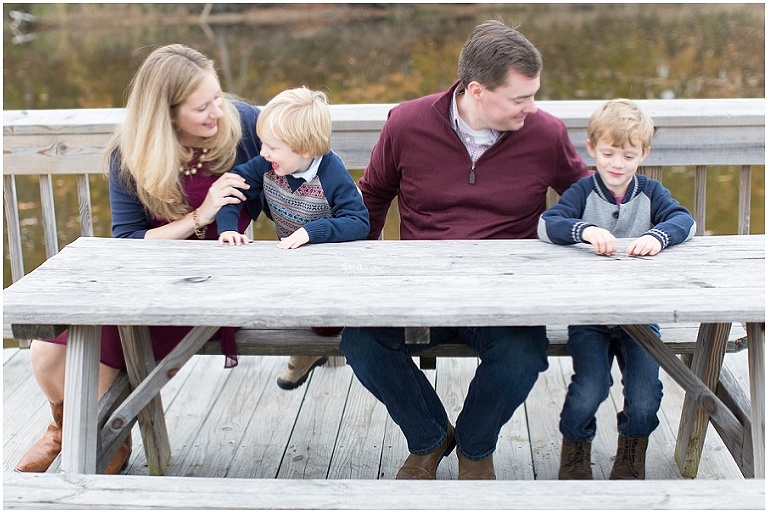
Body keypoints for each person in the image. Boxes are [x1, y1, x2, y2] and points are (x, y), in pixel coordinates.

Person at [340, 19, 589, 480]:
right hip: (420, 293)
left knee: (523, 354)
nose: (531, 108)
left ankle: (475, 446)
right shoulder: (407, 123)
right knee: (361, 340)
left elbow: (587, 199)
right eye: (520, 98)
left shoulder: (544, 133)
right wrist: (355, 277)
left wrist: (644, 224)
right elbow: (372, 196)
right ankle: (431, 438)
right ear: (477, 91)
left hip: (503, 298)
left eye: (534, 95)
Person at [16, 44, 263, 474]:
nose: (217, 113)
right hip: (145, 278)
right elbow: (129, 241)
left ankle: (102, 431)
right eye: (202, 107)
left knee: (102, 350)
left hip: (217, 283)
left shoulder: (245, 125)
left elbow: (305, 146)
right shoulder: (130, 155)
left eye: (218, 98)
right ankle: (67, 429)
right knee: (46, 350)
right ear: (166, 114)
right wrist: (199, 217)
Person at [537, 99, 696, 480]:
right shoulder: (583, 192)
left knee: (645, 395)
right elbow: (547, 224)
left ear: (643, 153)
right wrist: (585, 230)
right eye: (608, 153)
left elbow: (685, 221)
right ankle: (575, 449)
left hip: (640, 316)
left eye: (628, 155)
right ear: (592, 149)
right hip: (590, 315)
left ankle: (631, 451)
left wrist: (659, 236)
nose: (617, 163)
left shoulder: (651, 192)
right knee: (590, 388)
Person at [217, 86, 370, 390]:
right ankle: (305, 352)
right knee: (261, 300)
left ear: (305, 150)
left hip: (336, 264)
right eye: (263, 143)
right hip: (294, 259)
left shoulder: (331, 173)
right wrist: (228, 227)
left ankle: (309, 352)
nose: (262, 153)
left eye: (272, 147)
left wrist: (312, 232)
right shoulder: (267, 166)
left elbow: (359, 222)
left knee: (326, 328)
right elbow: (232, 191)